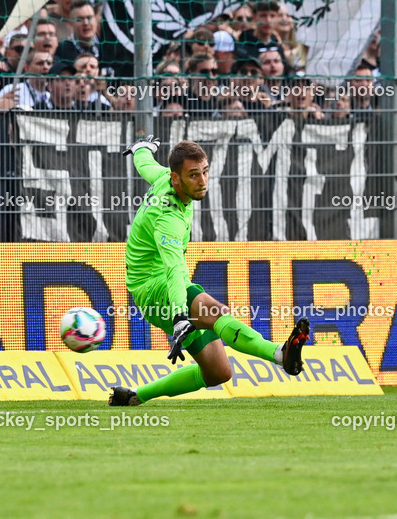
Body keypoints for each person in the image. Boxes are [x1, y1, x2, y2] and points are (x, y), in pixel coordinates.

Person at [108, 137, 310, 406]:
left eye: (205, 171)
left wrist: (141, 148)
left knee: (218, 373)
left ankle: (134, 397)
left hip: (169, 287)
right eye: (194, 175)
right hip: (154, 290)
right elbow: (173, 269)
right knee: (215, 312)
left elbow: (146, 165)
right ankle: (279, 354)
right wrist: (180, 314)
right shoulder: (168, 219)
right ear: (177, 179)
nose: (202, 181)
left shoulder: (165, 179)